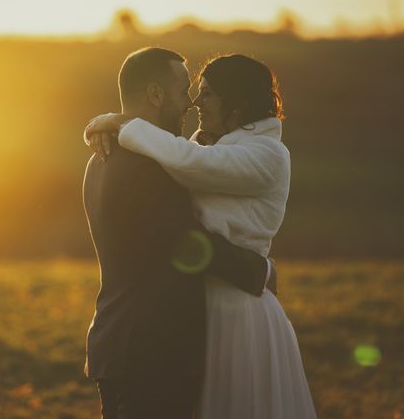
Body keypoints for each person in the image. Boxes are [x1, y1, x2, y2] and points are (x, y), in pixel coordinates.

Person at [85, 51, 317, 418]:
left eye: (205, 93)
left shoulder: (262, 154)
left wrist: (115, 121)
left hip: (216, 320)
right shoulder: (147, 166)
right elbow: (182, 241)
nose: (192, 102)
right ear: (156, 94)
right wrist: (260, 271)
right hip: (151, 343)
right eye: (187, 90)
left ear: (237, 105)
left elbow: (190, 162)